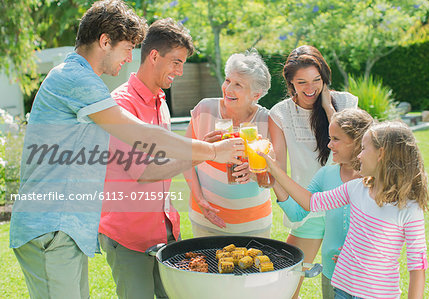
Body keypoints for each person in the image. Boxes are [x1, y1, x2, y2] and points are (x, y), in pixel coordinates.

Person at [9, 1, 243, 298]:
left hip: (63, 229)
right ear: (104, 41)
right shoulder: (75, 79)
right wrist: (211, 152)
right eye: (127, 48)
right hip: (51, 226)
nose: (131, 57)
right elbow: (140, 135)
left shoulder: (81, 80)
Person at [261, 121, 429, 298]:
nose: (359, 156)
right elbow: (310, 202)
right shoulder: (355, 189)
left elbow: (417, 266)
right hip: (342, 289)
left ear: (381, 154)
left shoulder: (409, 208)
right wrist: (274, 168)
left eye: (364, 149)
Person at [98, 18, 196, 299]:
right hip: (129, 236)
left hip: (165, 230)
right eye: (176, 62)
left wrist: (198, 149)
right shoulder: (121, 105)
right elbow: (143, 171)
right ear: (154, 56)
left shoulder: (160, 102)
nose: (179, 71)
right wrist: (200, 154)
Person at [268, 45, 358, 297]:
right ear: (290, 83)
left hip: (347, 207)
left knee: (343, 286)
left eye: (317, 81)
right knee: (286, 281)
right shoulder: (281, 113)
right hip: (306, 207)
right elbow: (278, 167)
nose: (310, 89)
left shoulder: (347, 103)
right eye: (302, 82)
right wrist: (267, 175)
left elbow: (358, 147)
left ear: (325, 79)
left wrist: (330, 109)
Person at [277, 108, 373, 298]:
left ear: (358, 142)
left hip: (368, 276)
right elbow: (297, 213)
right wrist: (273, 182)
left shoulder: (376, 179)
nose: (329, 145)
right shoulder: (326, 175)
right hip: (332, 274)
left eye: (336, 139)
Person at [183, 50, 273, 237]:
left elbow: (273, 180)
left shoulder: (267, 120)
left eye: (238, 84)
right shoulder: (204, 109)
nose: (228, 89)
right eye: (227, 80)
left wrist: (255, 173)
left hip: (253, 223)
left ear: (256, 94)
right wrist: (200, 201)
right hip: (206, 217)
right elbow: (185, 158)